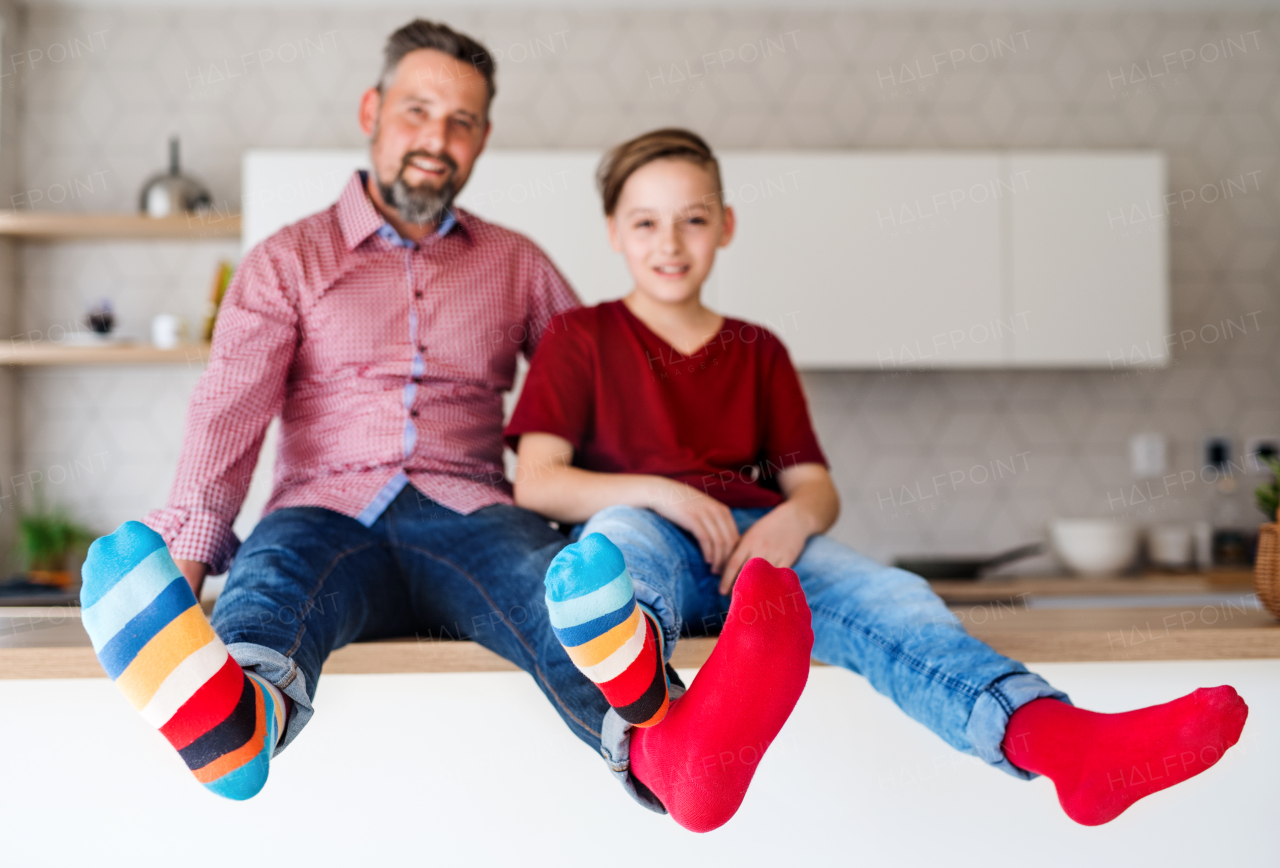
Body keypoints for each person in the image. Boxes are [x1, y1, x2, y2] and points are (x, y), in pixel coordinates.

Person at [504, 127, 1251, 831]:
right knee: (617, 552)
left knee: (895, 601)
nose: (670, 242)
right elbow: (537, 480)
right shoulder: (581, 338)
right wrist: (658, 490)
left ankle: (1066, 748)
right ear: (612, 232)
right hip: (649, 529)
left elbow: (817, 489)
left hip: (762, 547)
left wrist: (793, 519)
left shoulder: (758, 350)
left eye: (692, 219)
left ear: (726, 225)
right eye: (645, 223)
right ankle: (647, 696)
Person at [78, 19, 619, 804]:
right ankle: (240, 723)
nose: (438, 138)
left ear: (483, 139)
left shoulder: (519, 264)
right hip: (324, 511)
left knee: (553, 594)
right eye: (417, 111)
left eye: (462, 121)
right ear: (371, 111)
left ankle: (646, 738)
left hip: (473, 511)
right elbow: (228, 418)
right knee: (271, 585)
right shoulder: (285, 261)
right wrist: (185, 568)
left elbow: (598, 407)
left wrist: (652, 528)